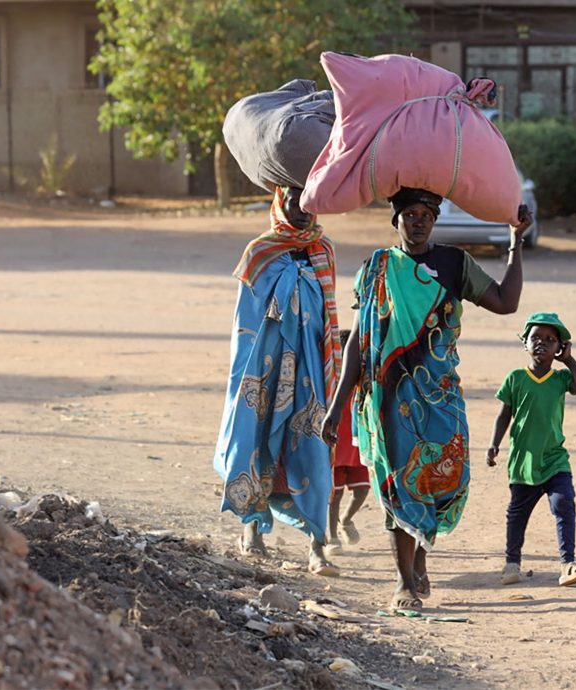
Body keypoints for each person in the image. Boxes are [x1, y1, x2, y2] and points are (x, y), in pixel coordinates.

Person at [321, 187, 534, 612]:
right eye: (410, 214)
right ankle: (403, 583)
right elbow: (359, 343)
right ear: (395, 220)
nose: (418, 221)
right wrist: (337, 403)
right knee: (399, 485)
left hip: (440, 395)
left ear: (435, 221)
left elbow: (506, 303)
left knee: (442, 479)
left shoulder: (455, 263)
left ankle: (420, 553)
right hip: (387, 398)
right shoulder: (377, 268)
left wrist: (515, 241)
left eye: (426, 215)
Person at [213, 186, 342, 577]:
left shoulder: (324, 252)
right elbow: (244, 324)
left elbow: (328, 318)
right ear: (279, 201)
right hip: (263, 370)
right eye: (294, 201)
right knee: (256, 440)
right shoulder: (259, 253)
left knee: (314, 450)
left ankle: (318, 546)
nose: (302, 211)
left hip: (311, 370)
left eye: (310, 203)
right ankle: (252, 529)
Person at [486, 312, 576, 587]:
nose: (542, 344)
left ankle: (568, 564)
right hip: (524, 461)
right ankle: (512, 564)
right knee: (517, 514)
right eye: (535, 338)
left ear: (559, 347)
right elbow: (504, 415)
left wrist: (569, 360)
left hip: (555, 459)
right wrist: (493, 444)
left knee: (563, 504)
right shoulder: (515, 378)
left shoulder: (560, 379)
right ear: (525, 343)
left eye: (550, 340)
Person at [325, 329, 371, 555]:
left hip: (356, 446)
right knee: (335, 494)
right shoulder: (331, 383)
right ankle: (332, 536)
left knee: (362, 491)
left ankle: (347, 519)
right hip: (336, 447)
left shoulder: (363, 384)